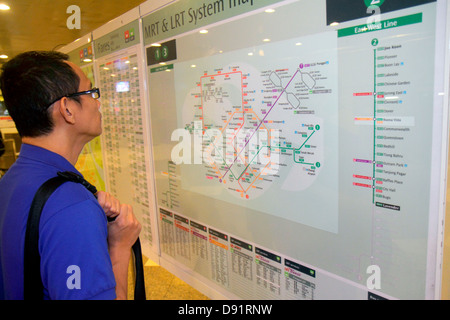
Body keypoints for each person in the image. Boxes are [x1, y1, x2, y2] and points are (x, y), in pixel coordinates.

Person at [0, 51, 141, 300]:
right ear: (67, 109)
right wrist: (119, 247)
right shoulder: (73, 206)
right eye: (90, 92)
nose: (98, 102)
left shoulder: (11, 180)